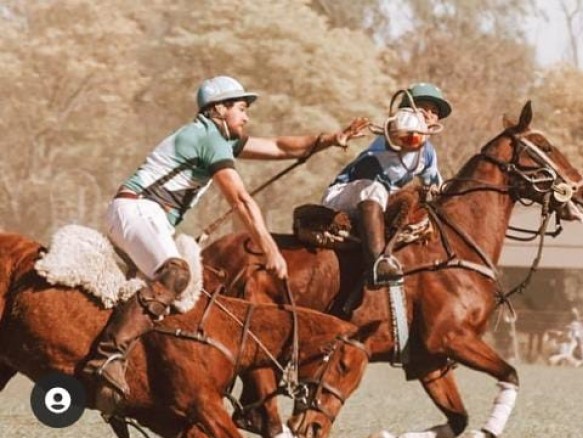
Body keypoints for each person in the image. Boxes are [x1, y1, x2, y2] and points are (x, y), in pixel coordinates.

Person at [83, 75, 370, 415]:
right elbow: (241, 199)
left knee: (170, 297)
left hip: (144, 216)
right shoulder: (208, 137)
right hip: (136, 209)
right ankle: (107, 359)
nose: (246, 116)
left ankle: (131, 377)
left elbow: (279, 147)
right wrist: (269, 248)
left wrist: (331, 139)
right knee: (176, 275)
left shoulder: (217, 137)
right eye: (241, 109)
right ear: (219, 109)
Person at [320, 82, 452, 283]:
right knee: (375, 187)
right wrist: (404, 126)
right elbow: (398, 135)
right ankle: (377, 264)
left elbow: (436, 185)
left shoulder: (428, 153)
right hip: (344, 195)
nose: (429, 114)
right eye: (422, 108)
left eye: (434, 112)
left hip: (379, 204)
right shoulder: (391, 135)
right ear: (407, 110)